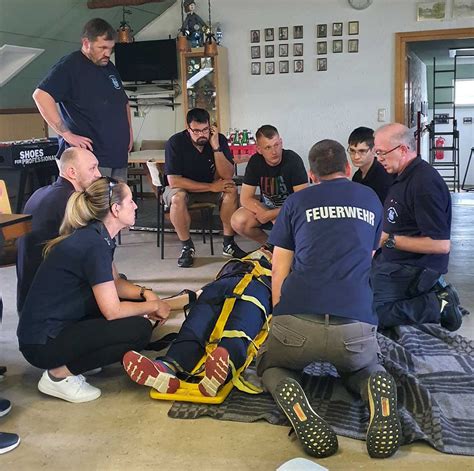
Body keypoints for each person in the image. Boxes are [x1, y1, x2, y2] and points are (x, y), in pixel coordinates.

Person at [256, 139, 401, 459]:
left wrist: (279, 316)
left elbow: (279, 269)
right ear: (348, 169)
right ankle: (375, 385)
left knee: (270, 365)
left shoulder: (297, 203)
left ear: (310, 174)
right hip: (353, 328)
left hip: (298, 323)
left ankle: (293, 398)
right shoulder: (371, 199)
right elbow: (371, 253)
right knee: (363, 368)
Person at [16, 178, 179, 403]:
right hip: (42, 343)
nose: (136, 206)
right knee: (138, 329)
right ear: (115, 209)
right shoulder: (93, 245)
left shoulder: (96, 236)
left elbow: (114, 282)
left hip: (50, 330)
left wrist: (145, 294)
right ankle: (59, 375)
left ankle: (80, 358)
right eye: (131, 201)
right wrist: (155, 306)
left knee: (134, 315)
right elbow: (112, 310)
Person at [371, 123, 462, 331]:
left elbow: (440, 245)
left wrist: (388, 239)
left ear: (402, 149)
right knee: (354, 299)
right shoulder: (401, 176)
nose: (379, 159)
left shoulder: (424, 184)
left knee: (368, 317)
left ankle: (439, 303)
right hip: (392, 260)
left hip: (415, 268)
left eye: (381, 153)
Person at [32, 18, 133, 181]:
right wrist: (66, 134)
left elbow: (123, 101)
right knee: (93, 205)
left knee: (118, 205)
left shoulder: (109, 67)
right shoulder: (70, 66)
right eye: (102, 48)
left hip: (118, 155)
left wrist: (129, 132)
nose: (107, 53)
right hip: (91, 159)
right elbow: (41, 96)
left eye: (110, 48)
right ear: (86, 43)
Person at [16, 147, 101, 313]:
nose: (98, 174)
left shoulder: (38, 193)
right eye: (92, 168)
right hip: (51, 306)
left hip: (27, 299)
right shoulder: (71, 202)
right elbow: (93, 256)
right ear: (72, 172)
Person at [164, 108, 246, 268]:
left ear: (210, 127)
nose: (201, 134)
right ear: (188, 129)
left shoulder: (218, 139)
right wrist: (211, 186)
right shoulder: (175, 142)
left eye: (205, 130)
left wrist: (216, 147)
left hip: (210, 188)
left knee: (231, 189)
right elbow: (174, 181)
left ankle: (228, 243)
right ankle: (187, 246)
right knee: (177, 199)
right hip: (183, 188)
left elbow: (227, 174)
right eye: (196, 131)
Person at [231, 125, 308, 246]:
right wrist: (267, 214)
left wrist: (271, 215)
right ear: (259, 149)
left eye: (276, 145)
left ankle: (289, 249)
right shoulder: (255, 162)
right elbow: (245, 198)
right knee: (238, 220)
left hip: (291, 211)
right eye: (268, 147)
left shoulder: (293, 160)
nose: (274, 152)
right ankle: (271, 245)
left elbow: (302, 201)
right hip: (267, 209)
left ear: (281, 142)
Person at [348, 126, 394, 204]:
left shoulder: (384, 176)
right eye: (352, 150)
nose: (356, 156)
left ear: (374, 150)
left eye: (362, 151)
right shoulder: (357, 176)